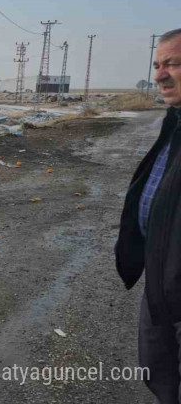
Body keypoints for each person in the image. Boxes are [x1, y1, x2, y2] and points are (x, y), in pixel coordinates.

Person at [116, 27, 181, 403]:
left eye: (172, 63)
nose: (159, 75)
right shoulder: (174, 123)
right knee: (161, 377)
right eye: (158, 64)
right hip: (161, 287)